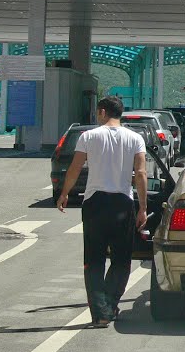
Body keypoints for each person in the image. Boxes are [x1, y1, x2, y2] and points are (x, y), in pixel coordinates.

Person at [58, 96, 147, 328]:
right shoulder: (135, 138)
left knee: (94, 259)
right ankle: (110, 304)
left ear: (102, 112)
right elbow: (140, 174)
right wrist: (144, 208)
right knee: (121, 259)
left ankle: (100, 313)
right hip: (123, 203)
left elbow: (75, 168)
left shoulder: (88, 137)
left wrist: (64, 193)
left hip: (95, 203)